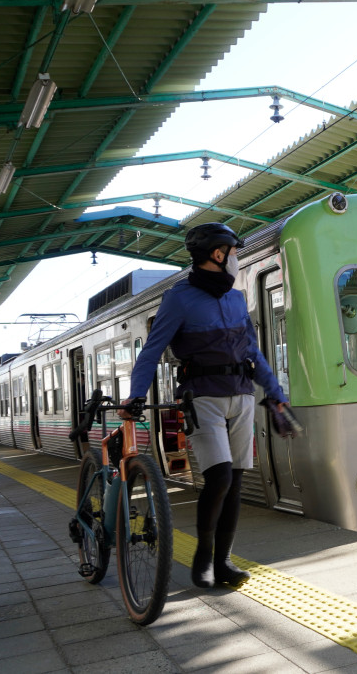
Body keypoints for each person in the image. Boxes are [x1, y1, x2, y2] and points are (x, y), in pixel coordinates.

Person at [121, 222, 287, 588]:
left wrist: (275, 394)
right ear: (218, 254)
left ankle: (223, 563)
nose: (237, 260)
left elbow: (253, 353)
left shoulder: (236, 297)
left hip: (242, 393)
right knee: (220, 476)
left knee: (237, 480)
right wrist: (135, 394)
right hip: (202, 396)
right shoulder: (179, 298)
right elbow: (151, 351)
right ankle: (203, 554)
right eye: (234, 253)